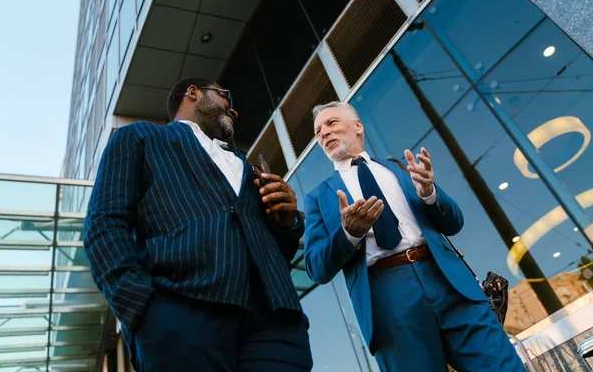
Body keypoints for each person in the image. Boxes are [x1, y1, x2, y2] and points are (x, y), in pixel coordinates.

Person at [83, 77, 312, 372]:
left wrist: (287, 222)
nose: (234, 108)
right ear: (193, 93)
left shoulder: (245, 164)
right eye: (224, 95)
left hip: (275, 320)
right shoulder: (140, 137)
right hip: (181, 312)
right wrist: (141, 308)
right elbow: (104, 223)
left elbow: (277, 248)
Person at [303, 101, 525, 371]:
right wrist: (349, 233)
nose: (323, 133)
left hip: (448, 280)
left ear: (357, 126)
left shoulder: (399, 168)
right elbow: (316, 268)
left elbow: (454, 223)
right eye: (317, 131)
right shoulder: (317, 197)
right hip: (387, 298)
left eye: (331, 123)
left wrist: (430, 194)